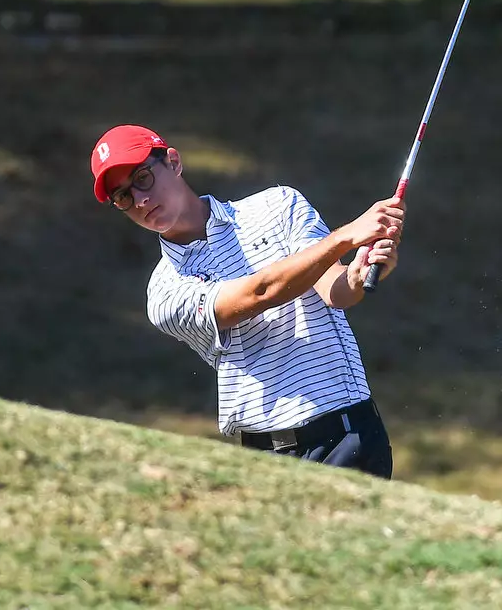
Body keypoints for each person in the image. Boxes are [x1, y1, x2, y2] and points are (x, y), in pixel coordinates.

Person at [89, 124, 405, 479]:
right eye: (123, 197)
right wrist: (344, 237)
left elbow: (336, 291)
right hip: (263, 456)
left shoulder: (278, 205)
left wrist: (358, 274)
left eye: (143, 178)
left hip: (346, 433)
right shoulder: (163, 291)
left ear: (173, 162)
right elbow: (257, 295)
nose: (140, 201)